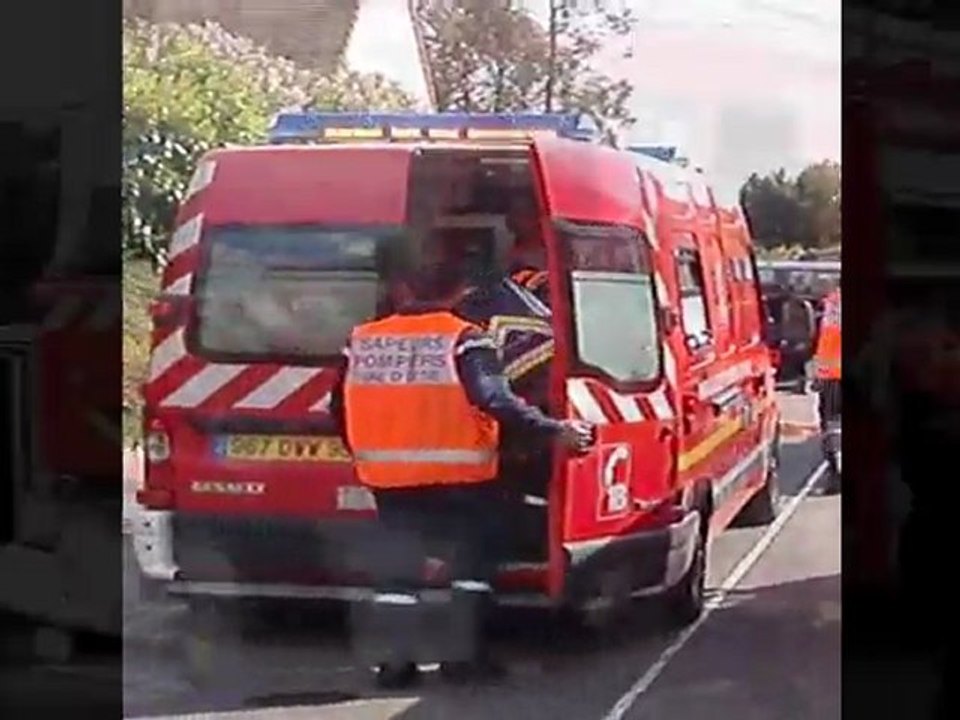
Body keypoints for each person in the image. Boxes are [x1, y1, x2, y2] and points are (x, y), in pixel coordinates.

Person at [329, 255, 594, 689]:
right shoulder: (464, 339)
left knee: (397, 576)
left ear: (402, 290)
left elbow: (336, 408)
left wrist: (363, 453)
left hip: (389, 479)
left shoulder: (362, 340)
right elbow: (495, 399)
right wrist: (554, 431)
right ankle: (463, 662)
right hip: (462, 480)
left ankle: (395, 667)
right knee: (470, 571)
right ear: (460, 294)